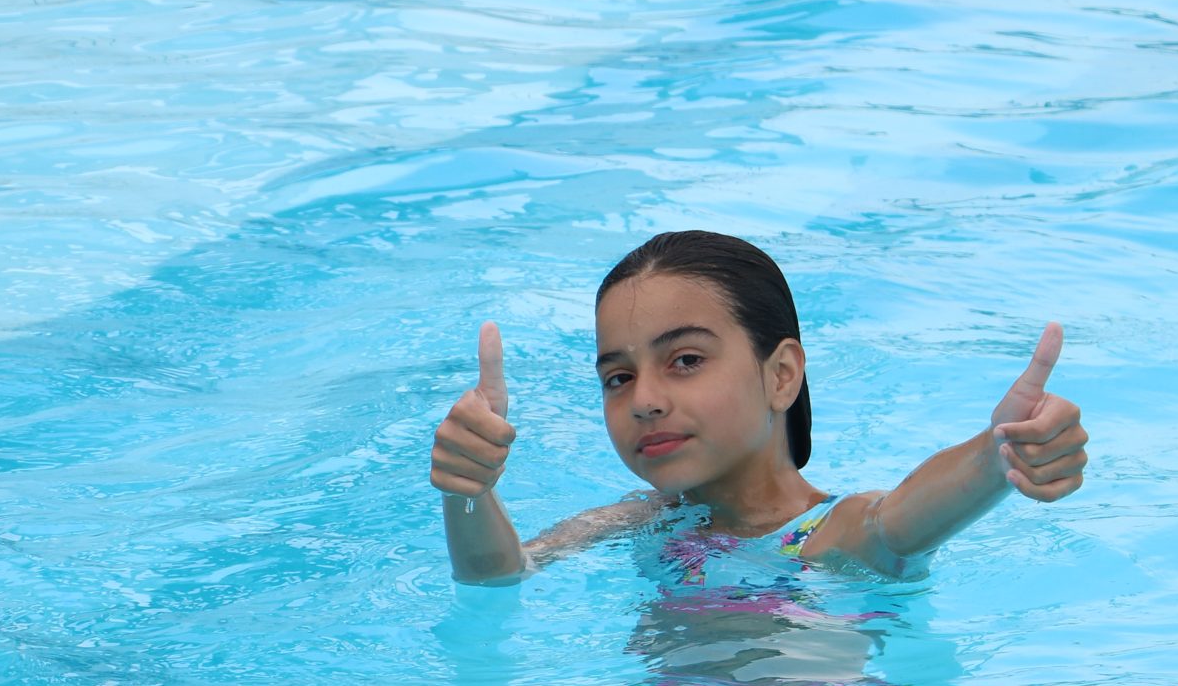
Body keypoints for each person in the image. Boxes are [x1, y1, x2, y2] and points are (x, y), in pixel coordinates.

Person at [427, 230, 1088, 583]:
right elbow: (500, 575)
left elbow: (903, 518)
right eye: (618, 377)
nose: (646, 400)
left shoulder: (832, 533)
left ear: (781, 376)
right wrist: (469, 493)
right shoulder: (637, 522)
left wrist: (1000, 454)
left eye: (685, 360)